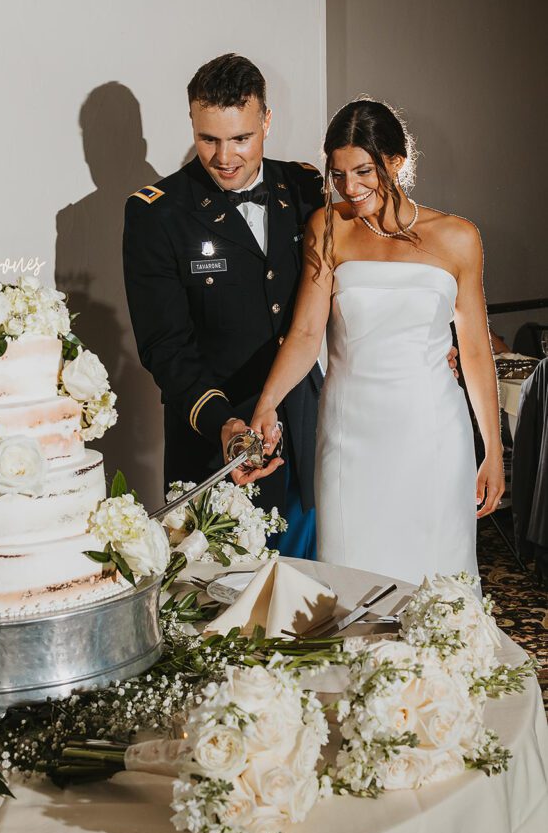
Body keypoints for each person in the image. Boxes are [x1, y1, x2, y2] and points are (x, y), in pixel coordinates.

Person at [248, 98, 503, 584]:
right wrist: (267, 403)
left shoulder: (458, 238)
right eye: (338, 174)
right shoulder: (329, 227)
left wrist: (491, 449)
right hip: (349, 436)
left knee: (436, 580)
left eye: (363, 171)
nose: (349, 187)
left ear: (396, 163)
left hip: (433, 436)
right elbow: (305, 333)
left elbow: (473, 350)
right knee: (350, 582)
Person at [122, 54, 324, 557]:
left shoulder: (303, 187)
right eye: (208, 138)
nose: (224, 156)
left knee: (317, 599)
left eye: (241, 139)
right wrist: (224, 428)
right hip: (220, 438)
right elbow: (165, 346)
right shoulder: (157, 214)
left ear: (267, 122)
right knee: (229, 612)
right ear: (192, 121)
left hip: (308, 428)